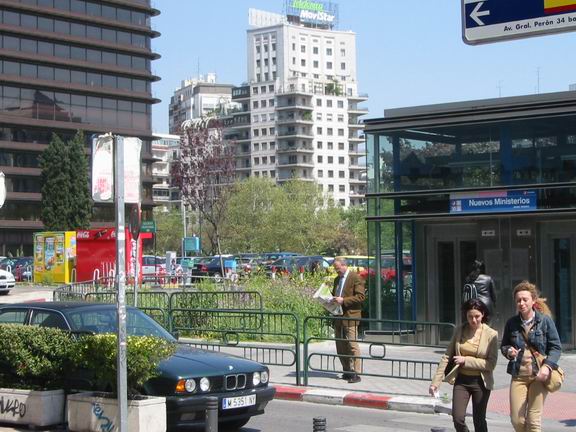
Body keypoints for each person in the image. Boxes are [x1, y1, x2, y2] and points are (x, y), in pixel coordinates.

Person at [500, 281, 562, 432]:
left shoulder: (545, 321)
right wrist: (509, 351)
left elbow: (556, 347)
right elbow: (504, 345)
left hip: (538, 375)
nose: (521, 303)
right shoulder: (511, 323)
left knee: (533, 422)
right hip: (518, 376)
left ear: (533, 300)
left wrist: (547, 367)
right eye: (518, 300)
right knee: (517, 421)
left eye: (525, 299)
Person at [429, 299, 498, 432]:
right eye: (470, 316)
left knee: (479, 420)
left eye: (477, 316)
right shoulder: (459, 330)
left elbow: (491, 364)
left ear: (483, 314)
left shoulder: (491, 334)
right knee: (458, 418)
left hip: (480, 382)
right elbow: (447, 357)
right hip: (461, 380)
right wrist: (435, 383)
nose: (473, 320)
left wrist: (466, 360)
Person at [332, 258, 366, 383]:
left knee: (352, 344)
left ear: (344, 265)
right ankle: (347, 370)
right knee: (340, 345)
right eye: (335, 269)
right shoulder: (337, 279)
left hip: (351, 316)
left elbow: (361, 297)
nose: (336, 271)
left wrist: (344, 300)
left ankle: (356, 373)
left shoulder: (355, 277)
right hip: (338, 316)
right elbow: (335, 295)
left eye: (338, 268)